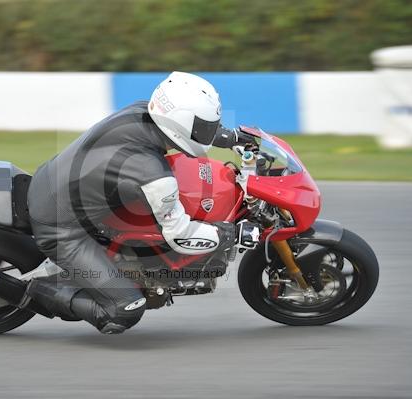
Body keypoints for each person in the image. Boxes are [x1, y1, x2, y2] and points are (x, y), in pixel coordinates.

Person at [26, 71, 255, 334]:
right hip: (61, 227)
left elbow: (183, 127)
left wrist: (231, 137)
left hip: (53, 183)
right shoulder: (152, 174)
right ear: (180, 122)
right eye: (204, 126)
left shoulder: (141, 110)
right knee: (125, 309)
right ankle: (33, 290)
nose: (207, 131)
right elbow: (180, 234)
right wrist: (234, 234)